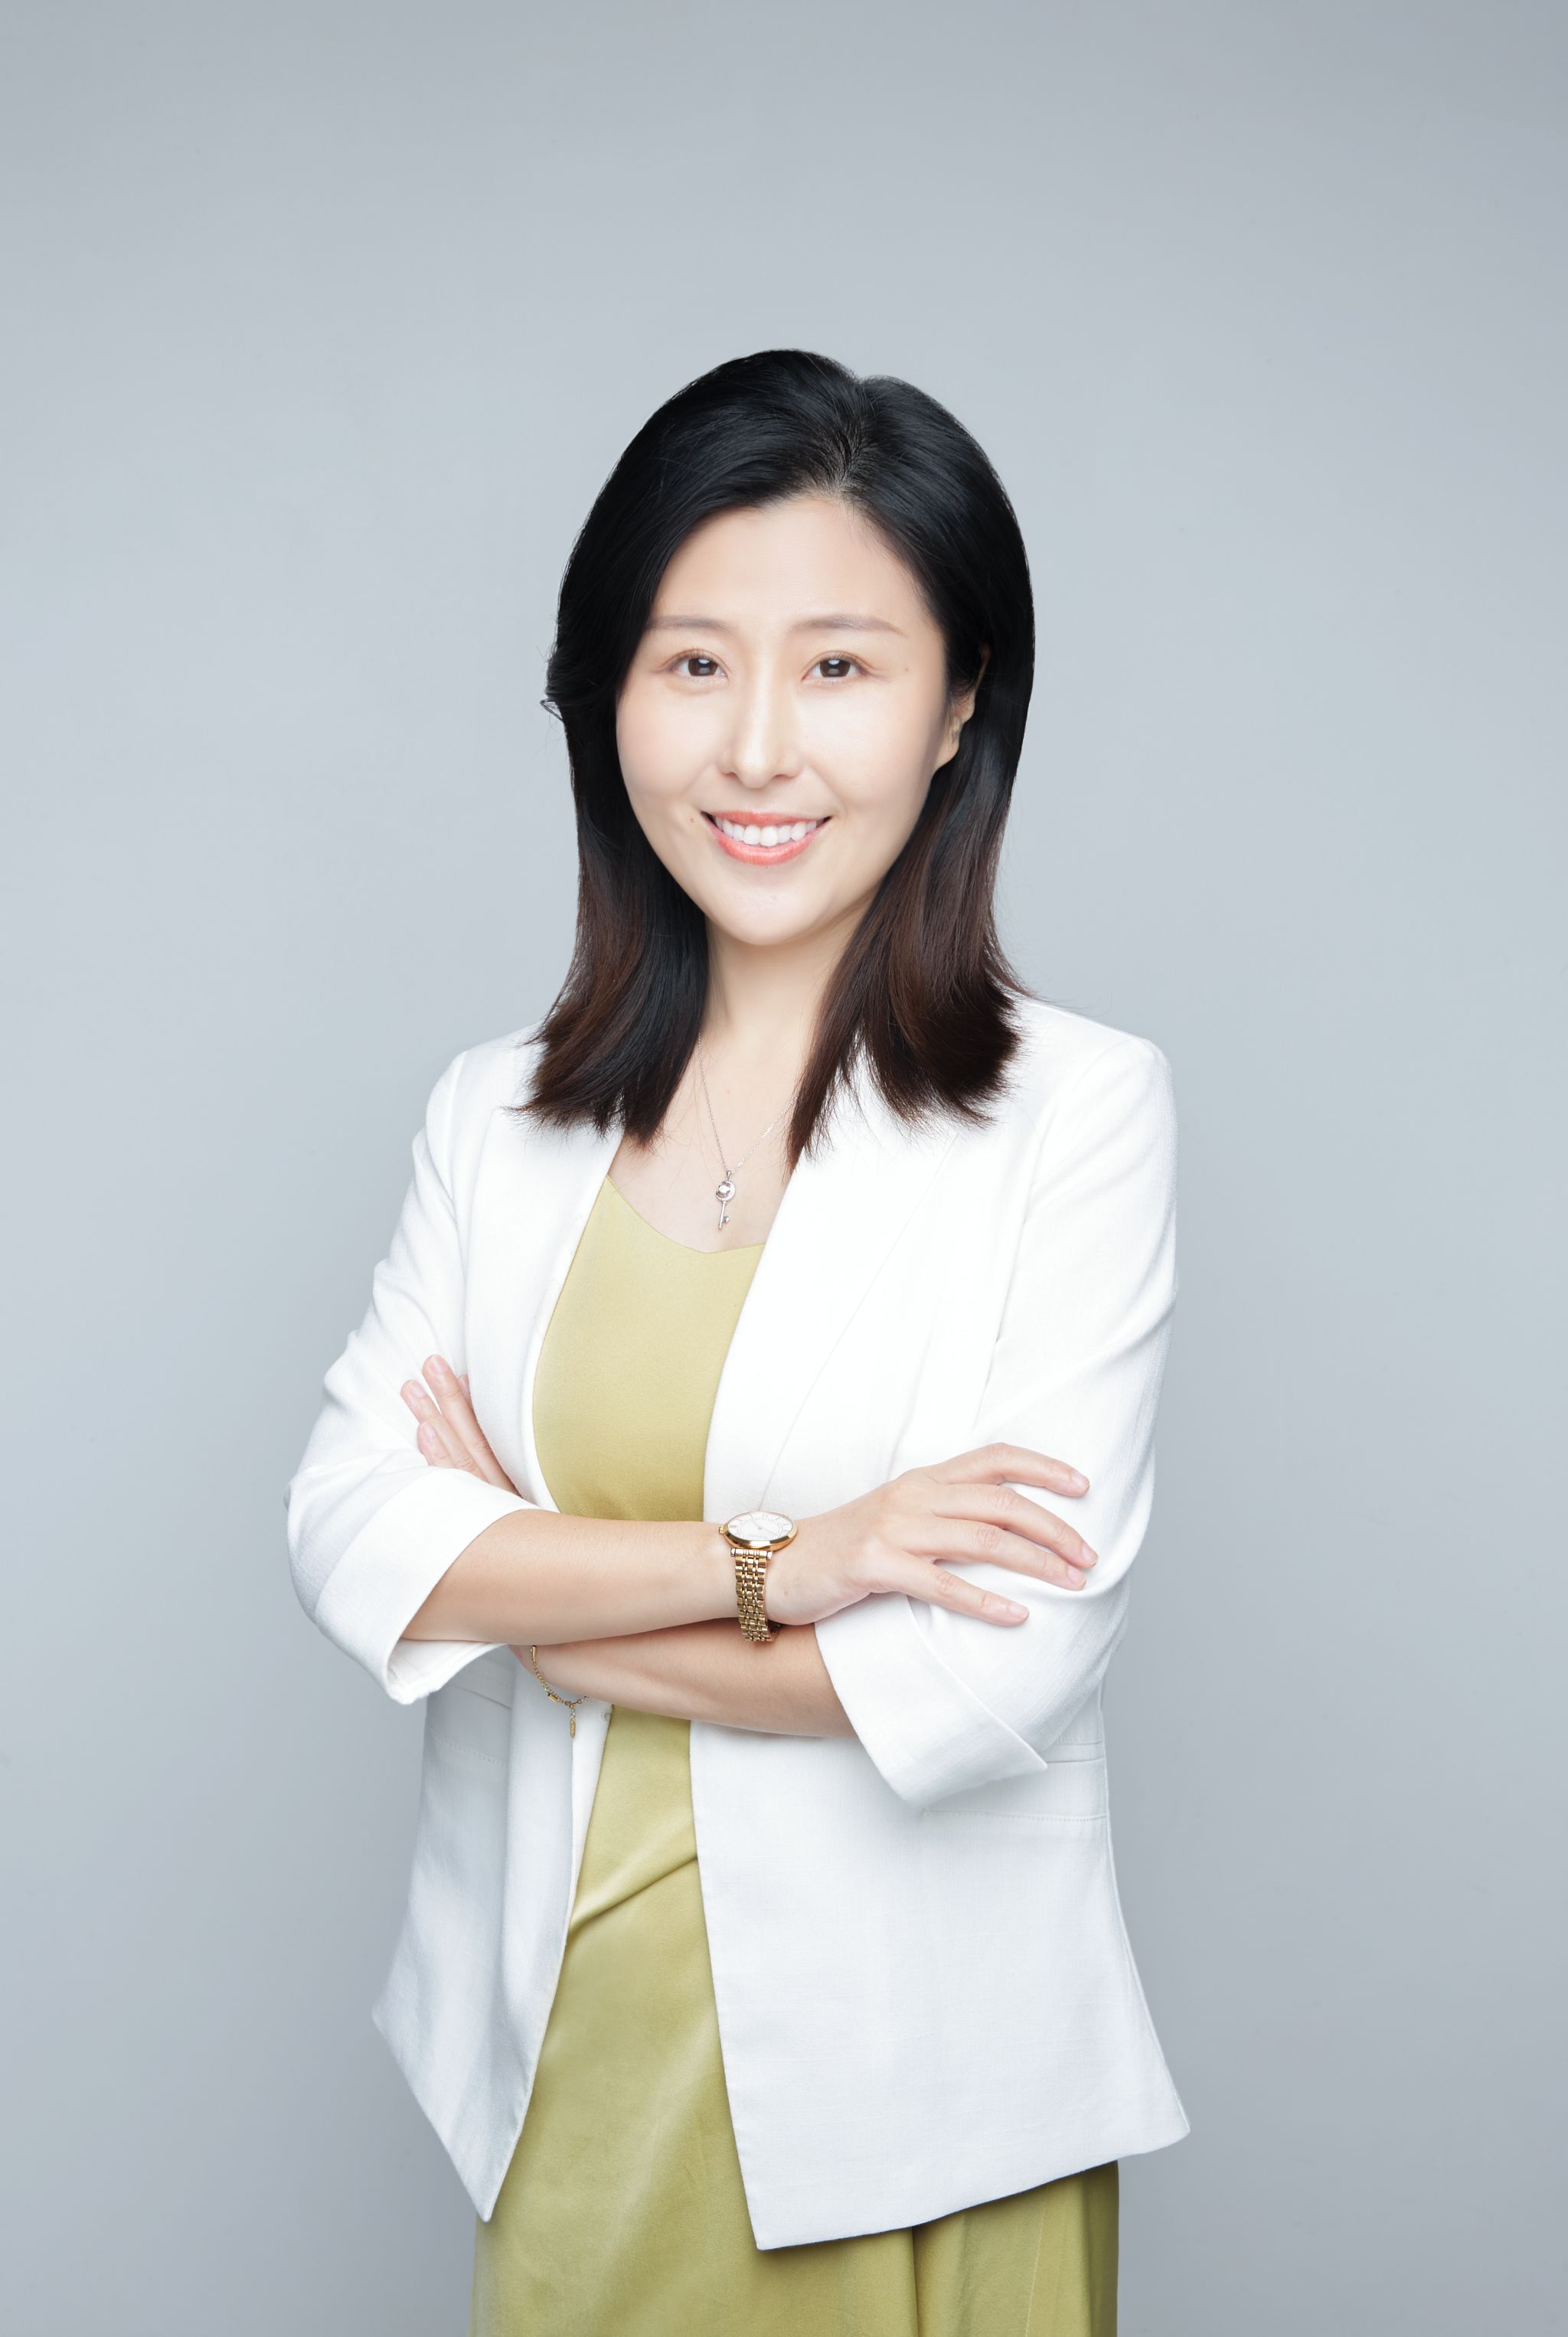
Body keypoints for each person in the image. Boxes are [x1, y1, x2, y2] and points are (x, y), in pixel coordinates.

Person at [286, 348, 1189, 2337]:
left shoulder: (1077, 1115)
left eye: (840, 667)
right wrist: (788, 1563)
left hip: (920, 2106)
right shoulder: (494, 1117)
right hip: (561, 2067)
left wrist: (531, 1596)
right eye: (692, 663)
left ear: (961, 703)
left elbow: (994, 1667)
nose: (757, 747)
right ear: (604, 694)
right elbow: (351, 1532)